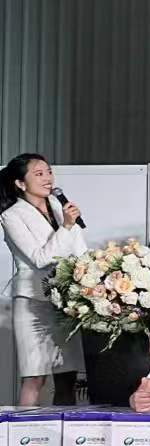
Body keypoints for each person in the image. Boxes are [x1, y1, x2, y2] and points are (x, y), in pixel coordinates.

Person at [2, 153, 88, 405]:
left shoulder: (60, 207)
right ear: (20, 183)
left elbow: (79, 251)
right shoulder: (11, 215)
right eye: (39, 174)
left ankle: (64, 425)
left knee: (67, 376)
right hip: (33, 301)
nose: (48, 178)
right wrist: (67, 227)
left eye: (49, 172)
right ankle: (22, 427)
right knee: (34, 376)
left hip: (66, 303)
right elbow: (40, 258)